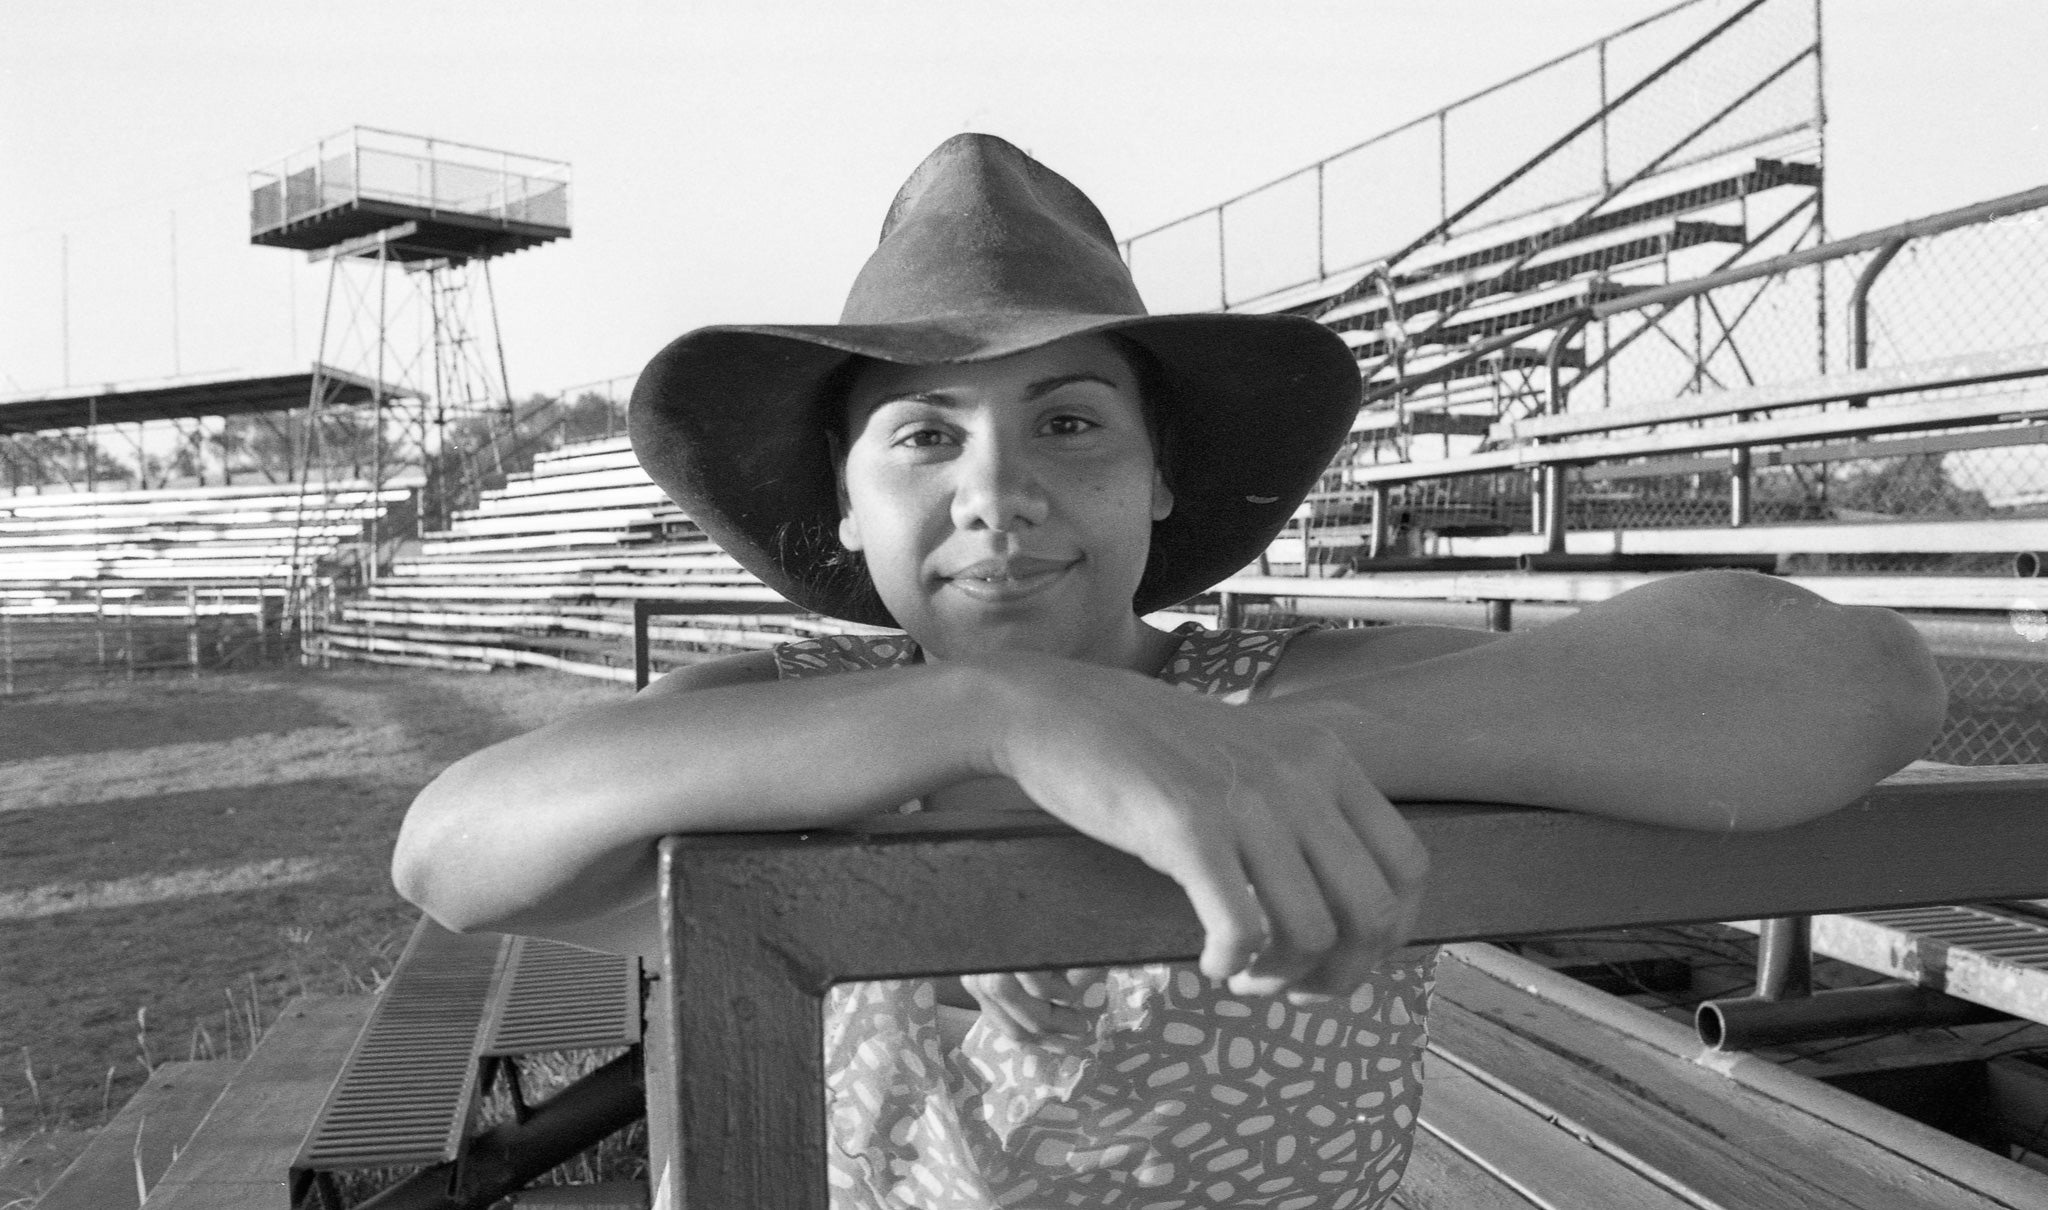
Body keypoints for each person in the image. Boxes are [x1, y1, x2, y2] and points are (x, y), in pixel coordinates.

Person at [393, 134, 1946, 1208]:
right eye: (926, 434)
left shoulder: (1284, 683)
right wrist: (1001, 711)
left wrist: (1226, 741)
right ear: (847, 508)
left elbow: (1862, 683)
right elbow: (452, 849)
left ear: (1156, 484)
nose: (997, 489)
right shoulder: (776, 719)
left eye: (1069, 422)